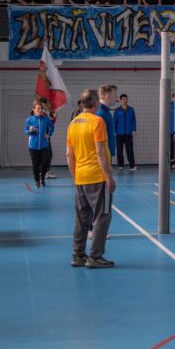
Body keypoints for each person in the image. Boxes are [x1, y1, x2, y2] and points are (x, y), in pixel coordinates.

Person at [66, 89, 116, 269]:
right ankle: (95, 256)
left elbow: (69, 155)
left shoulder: (72, 124)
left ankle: (78, 255)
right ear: (95, 103)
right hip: (97, 177)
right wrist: (109, 177)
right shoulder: (97, 121)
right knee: (103, 216)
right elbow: (101, 152)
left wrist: (75, 177)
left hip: (80, 177)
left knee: (82, 218)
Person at [26, 100, 55, 188]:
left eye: (41, 108)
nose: (40, 110)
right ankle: (37, 181)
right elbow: (26, 131)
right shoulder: (29, 120)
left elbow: (52, 127)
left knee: (44, 163)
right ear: (34, 109)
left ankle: (42, 178)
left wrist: (49, 134)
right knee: (35, 164)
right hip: (33, 146)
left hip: (44, 145)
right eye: (38, 108)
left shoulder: (46, 119)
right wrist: (30, 130)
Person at [113, 94, 137, 170]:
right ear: (120, 100)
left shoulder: (131, 109)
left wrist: (134, 130)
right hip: (119, 134)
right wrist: (114, 131)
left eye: (126, 99)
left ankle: (132, 166)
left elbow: (133, 121)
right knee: (119, 150)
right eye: (123, 99)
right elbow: (114, 122)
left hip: (128, 134)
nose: (125, 101)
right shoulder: (117, 110)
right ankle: (120, 165)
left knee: (130, 150)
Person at [97, 84, 117, 165]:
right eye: (114, 94)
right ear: (107, 95)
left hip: (107, 154)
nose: (116, 97)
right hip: (103, 156)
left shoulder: (106, 112)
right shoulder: (100, 113)